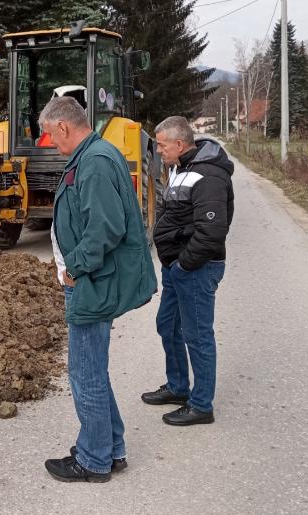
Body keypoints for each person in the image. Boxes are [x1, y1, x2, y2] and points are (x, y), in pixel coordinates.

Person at [41, 96, 156, 483]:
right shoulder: (94, 155)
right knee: (92, 369)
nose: (50, 144)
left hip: (90, 281)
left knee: (85, 372)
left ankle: (93, 459)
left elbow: (105, 228)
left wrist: (75, 266)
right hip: (90, 278)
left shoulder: (94, 163)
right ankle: (111, 447)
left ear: (63, 127)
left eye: (50, 136)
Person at [145, 116, 234, 426]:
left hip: (196, 268)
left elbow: (211, 233)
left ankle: (201, 405)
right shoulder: (181, 169)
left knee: (197, 335)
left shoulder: (208, 176)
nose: (158, 151)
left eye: (161, 145)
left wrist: (183, 265)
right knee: (167, 325)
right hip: (176, 268)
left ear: (179, 144)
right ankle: (178, 387)